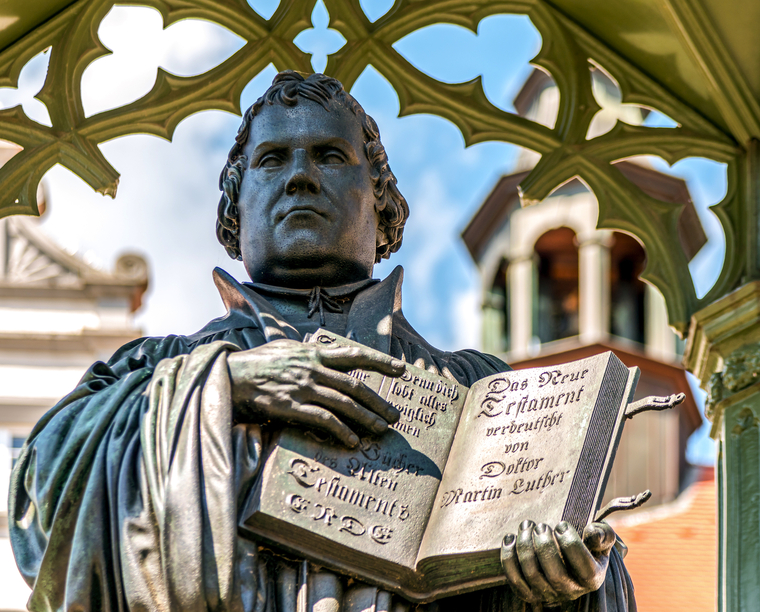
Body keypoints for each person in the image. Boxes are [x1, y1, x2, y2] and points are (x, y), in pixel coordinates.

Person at [10, 71, 636, 612]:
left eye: (330, 156)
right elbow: (40, 508)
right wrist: (223, 386)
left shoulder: (485, 398)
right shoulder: (155, 371)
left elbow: (593, 569)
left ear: (383, 202)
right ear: (236, 206)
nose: (301, 176)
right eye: (272, 160)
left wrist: (566, 591)